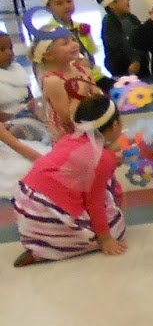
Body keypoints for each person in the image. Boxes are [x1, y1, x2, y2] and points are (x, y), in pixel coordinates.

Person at [12, 94, 127, 266]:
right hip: (49, 211)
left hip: (26, 205)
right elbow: (94, 203)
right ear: (115, 125)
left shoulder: (69, 138)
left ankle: (42, 242)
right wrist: (105, 238)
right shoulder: (102, 158)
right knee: (117, 227)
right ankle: (47, 250)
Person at [34, 28, 101, 141]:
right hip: (70, 137)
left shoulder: (83, 70)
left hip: (91, 125)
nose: (74, 45)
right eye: (65, 43)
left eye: (73, 40)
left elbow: (98, 98)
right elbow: (67, 119)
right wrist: (81, 92)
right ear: (49, 55)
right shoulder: (53, 81)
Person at [95, 0, 142, 80]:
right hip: (122, 68)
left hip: (140, 65)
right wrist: (134, 60)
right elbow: (119, 44)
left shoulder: (132, 18)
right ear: (112, 4)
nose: (128, 0)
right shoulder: (109, 22)